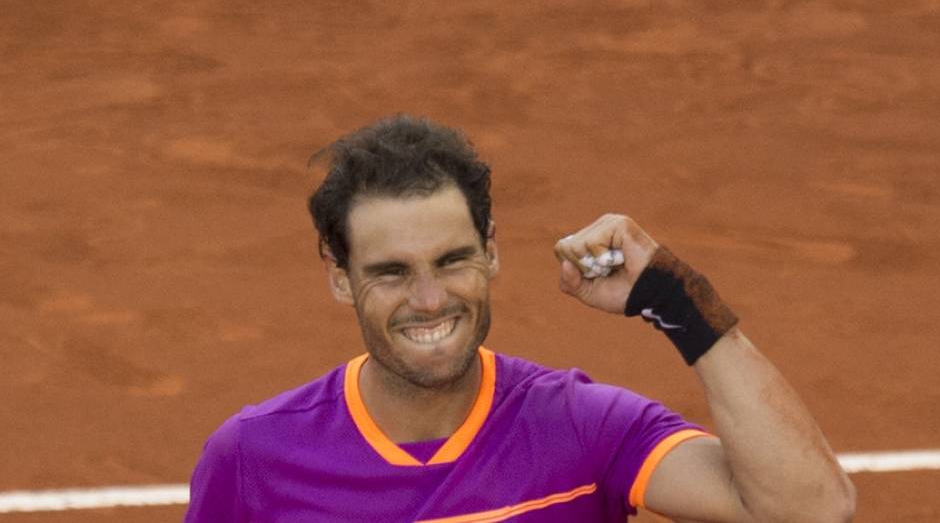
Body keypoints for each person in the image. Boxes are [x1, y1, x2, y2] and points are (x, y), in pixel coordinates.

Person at [185, 115, 856, 522]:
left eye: (452, 261)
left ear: (493, 251)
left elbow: (812, 510)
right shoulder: (253, 458)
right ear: (339, 277)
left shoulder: (579, 428)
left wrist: (681, 302)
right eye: (391, 272)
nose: (429, 301)